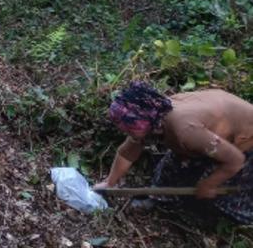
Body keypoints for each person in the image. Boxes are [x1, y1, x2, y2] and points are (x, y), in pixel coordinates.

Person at [95, 82, 253, 224]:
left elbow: (235, 160)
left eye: (130, 130)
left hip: (246, 138)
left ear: (144, 124)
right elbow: (127, 153)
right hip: (209, 133)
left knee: (233, 195)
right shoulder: (154, 114)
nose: (127, 133)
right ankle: (159, 199)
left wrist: (209, 184)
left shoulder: (185, 131)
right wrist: (110, 182)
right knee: (172, 166)